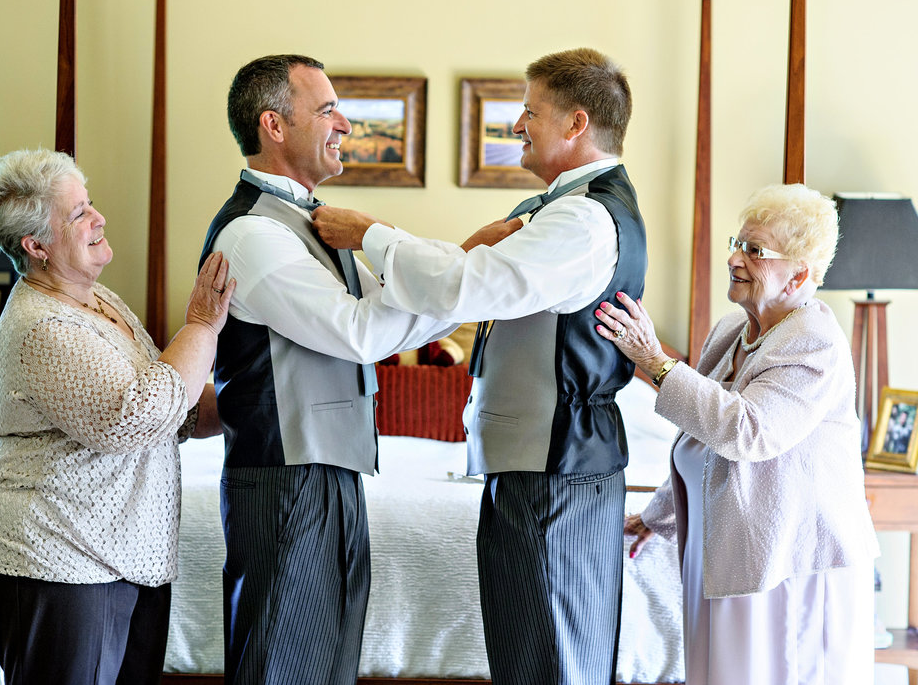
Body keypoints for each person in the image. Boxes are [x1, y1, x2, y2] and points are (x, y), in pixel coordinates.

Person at [312, 47, 646, 685]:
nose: (516, 125)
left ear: (576, 124)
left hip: (555, 473)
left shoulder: (582, 219)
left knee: (547, 661)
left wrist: (371, 234)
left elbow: (467, 285)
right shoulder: (560, 212)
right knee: (532, 658)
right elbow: (471, 280)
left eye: (530, 112)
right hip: (537, 468)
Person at [199, 54, 460, 685]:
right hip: (283, 478)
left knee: (329, 669)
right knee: (282, 670)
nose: (345, 122)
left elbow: (390, 309)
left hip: (332, 474)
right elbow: (362, 332)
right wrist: (465, 273)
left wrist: (462, 285)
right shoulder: (252, 235)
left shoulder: (314, 225)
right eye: (326, 109)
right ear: (275, 125)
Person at [0, 148, 235, 685]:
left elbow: (168, 413)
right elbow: (133, 417)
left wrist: (248, 402)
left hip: (121, 555)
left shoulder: (98, 300)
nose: (98, 218)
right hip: (58, 555)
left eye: (90, 204)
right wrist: (202, 325)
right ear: (35, 246)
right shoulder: (44, 326)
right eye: (77, 214)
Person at [596, 182, 880, 685]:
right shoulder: (732, 330)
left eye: (755, 250)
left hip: (790, 565)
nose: (734, 258)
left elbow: (747, 433)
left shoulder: (813, 342)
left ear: (799, 275)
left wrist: (656, 362)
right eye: (737, 243)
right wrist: (657, 514)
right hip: (729, 552)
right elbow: (700, 442)